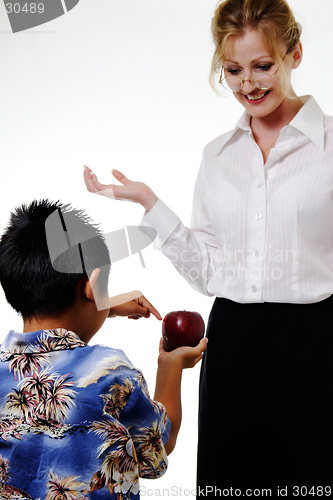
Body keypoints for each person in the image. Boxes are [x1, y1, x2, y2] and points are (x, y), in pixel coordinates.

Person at [83, 0, 333, 496]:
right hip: (233, 341)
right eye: (233, 70)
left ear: (295, 54)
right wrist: (149, 202)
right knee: (230, 484)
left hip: (317, 344)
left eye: (263, 65)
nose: (249, 84)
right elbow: (207, 273)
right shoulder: (217, 156)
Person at [0, 199, 208, 500]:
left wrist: (101, 304)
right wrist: (170, 366)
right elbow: (159, 445)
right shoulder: (110, 370)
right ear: (92, 285)